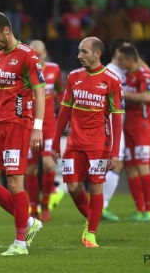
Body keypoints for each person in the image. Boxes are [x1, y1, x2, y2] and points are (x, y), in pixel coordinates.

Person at [0, 11, 46, 256]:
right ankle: (28, 222)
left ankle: (20, 243)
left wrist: (37, 127)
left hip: (19, 124)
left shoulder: (28, 56)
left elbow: (40, 92)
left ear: (6, 30)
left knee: (15, 182)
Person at [51, 37, 124, 248]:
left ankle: (91, 233)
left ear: (97, 54)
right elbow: (64, 110)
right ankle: (91, 216)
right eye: (78, 52)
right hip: (74, 142)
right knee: (73, 187)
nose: (78, 56)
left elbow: (117, 118)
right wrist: (56, 143)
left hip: (99, 144)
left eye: (83, 52)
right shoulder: (73, 77)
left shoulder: (112, 80)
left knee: (96, 188)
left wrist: (115, 151)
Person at [26, 40, 64, 222]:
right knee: (31, 168)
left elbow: (60, 93)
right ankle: (33, 206)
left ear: (45, 53)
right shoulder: (24, 71)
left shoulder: (54, 70)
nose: (37, 57)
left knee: (49, 164)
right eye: (33, 54)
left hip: (49, 124)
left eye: (39, 54)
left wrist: (67, 116)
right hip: (28, 125)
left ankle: (46, 203)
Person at [117, 45, 150, 222]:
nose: (119, 62)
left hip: (143, 125)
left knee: (142, 166)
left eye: (121, 59)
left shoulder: (144, 74)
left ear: (130, 59)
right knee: (131, 167)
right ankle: (139, 209)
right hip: (129, 125)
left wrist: (122, 94)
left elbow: (147, 97)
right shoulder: (126, 75)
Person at [101, 37, 132, 221]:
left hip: (118, 123)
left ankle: (100, 205)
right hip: (112, 123)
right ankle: (101, 206)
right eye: (127, 50)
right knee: (115, 162)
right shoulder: (111, 72)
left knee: (116, 164)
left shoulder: (123, 72)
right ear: (118, 52)